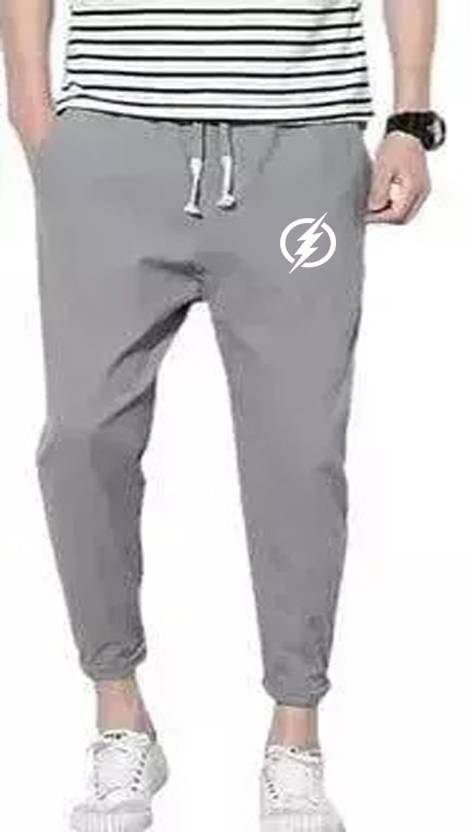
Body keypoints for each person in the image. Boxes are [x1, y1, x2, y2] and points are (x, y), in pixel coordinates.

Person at [2, 1, 445, 830]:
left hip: (299, 146)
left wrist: (410, 118)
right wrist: (32, 109)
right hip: (112, 143)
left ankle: (296, 737)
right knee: (81, 438)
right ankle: (120, 713)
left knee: (300, 449)